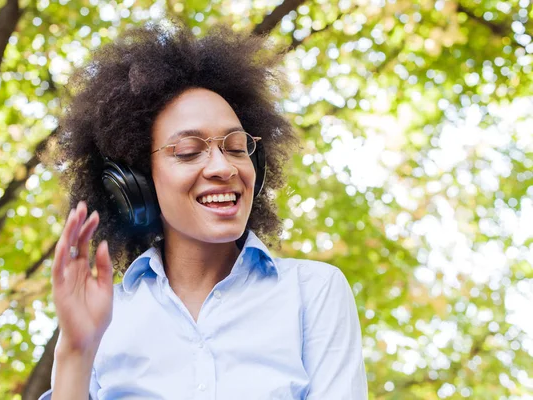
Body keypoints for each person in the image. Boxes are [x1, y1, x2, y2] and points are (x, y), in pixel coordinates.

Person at [40, 21, 368, 400]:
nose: (223, 168)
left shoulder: (314, 292)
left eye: (235, 146)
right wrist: (76, 353)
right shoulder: (105, 318)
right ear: (138, 181)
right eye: (188, 151)